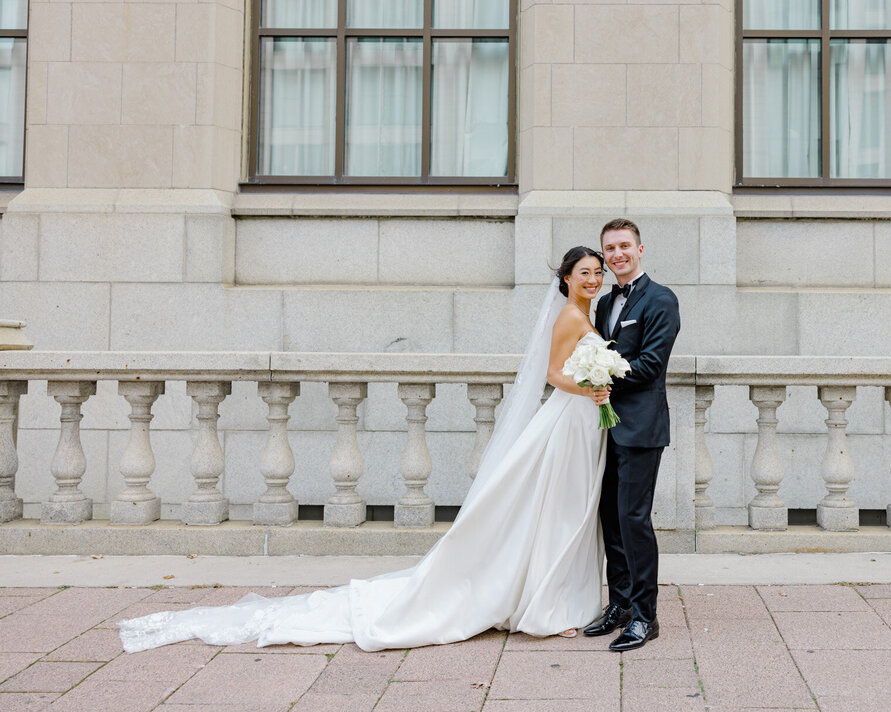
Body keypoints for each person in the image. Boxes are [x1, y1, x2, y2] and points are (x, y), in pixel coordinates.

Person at [119, 247, 614, 652]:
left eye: (597, 272)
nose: (592, 279)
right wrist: (589, 387)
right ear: (566, 278)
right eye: (583, 272)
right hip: (569, 418)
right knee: (556, 508)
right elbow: (553, 373)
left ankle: (556, 593)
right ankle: (546, 602)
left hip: (583, 422)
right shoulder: (571, 316)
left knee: (567, 508)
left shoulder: (590, 313)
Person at [583, 219, 681, 652]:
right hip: (605, 426)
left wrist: (603, 379)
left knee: (634, 521)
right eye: (610, 248)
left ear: (641, 249)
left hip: (641, 428)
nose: (617, 253)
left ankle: (646, 616)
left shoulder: (661, 299)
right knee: (610, 520)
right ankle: (620, 605)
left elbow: (651, 364)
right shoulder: (605, 304)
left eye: (625, 245)